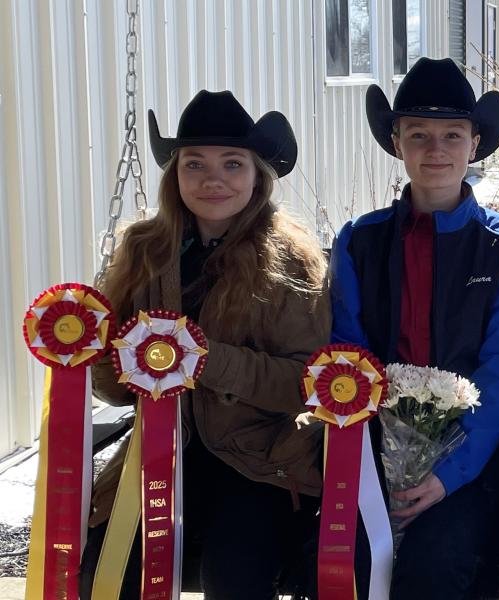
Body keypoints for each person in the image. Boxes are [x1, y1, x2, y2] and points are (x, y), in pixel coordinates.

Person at [79, 90, 330, 599]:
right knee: (102, 572)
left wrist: (205, 361)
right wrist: (102, 355)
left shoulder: (291, 262)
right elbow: (116, 392)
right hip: (160, 451)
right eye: (194, 164)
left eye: (232, 164)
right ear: (176, 176)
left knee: (233, 576)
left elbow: (305, 382)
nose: (212, 179)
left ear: (258, 175)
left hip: (261, 459)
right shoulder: (144, 251)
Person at [329, 57, 499, 599]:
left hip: (472, 461)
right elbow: (348, 355)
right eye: (418, 134)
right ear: (396, 142)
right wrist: (375, 460)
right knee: (341, 560)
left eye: (452, 134)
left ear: (475, 144)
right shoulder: (359, 241)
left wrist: (449, 474)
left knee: (436, 567)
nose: (435, 149)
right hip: (372, 452)